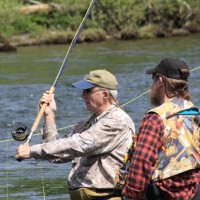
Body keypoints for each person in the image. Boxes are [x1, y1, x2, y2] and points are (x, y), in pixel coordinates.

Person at [16, 69, 135, 200]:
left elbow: (80, 144)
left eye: (88, 91)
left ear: (105, 94)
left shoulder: (117, 121)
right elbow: (57, 155)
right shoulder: (85, 124)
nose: (83, 96)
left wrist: (32, 151)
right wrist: (49, 115)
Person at [122, 57, 200, 200]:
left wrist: (131, 195)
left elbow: (142, 162)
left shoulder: (155, 117)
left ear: (160, 81)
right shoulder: (195, 112)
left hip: (163, 194)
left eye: (154, 78)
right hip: (194, 191)